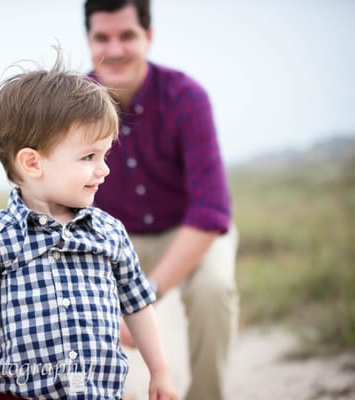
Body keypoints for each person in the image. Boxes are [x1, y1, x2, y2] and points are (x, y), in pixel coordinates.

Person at [0, 53, 178, 400]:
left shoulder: (110, 233)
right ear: (32, 162)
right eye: (88, 157)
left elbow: (138, 305)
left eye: (104, 155)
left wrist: (159, 371)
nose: (104, 169)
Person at [84, 1, 239, 399]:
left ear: (149, 37)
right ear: (88, 40)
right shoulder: (73, 105)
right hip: (112, 238)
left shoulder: (187, 97)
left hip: (186, 229)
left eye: (127, 36)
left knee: (213, 290)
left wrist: (144, 298)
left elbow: (210, 211)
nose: (114, 49)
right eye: (102, 37)